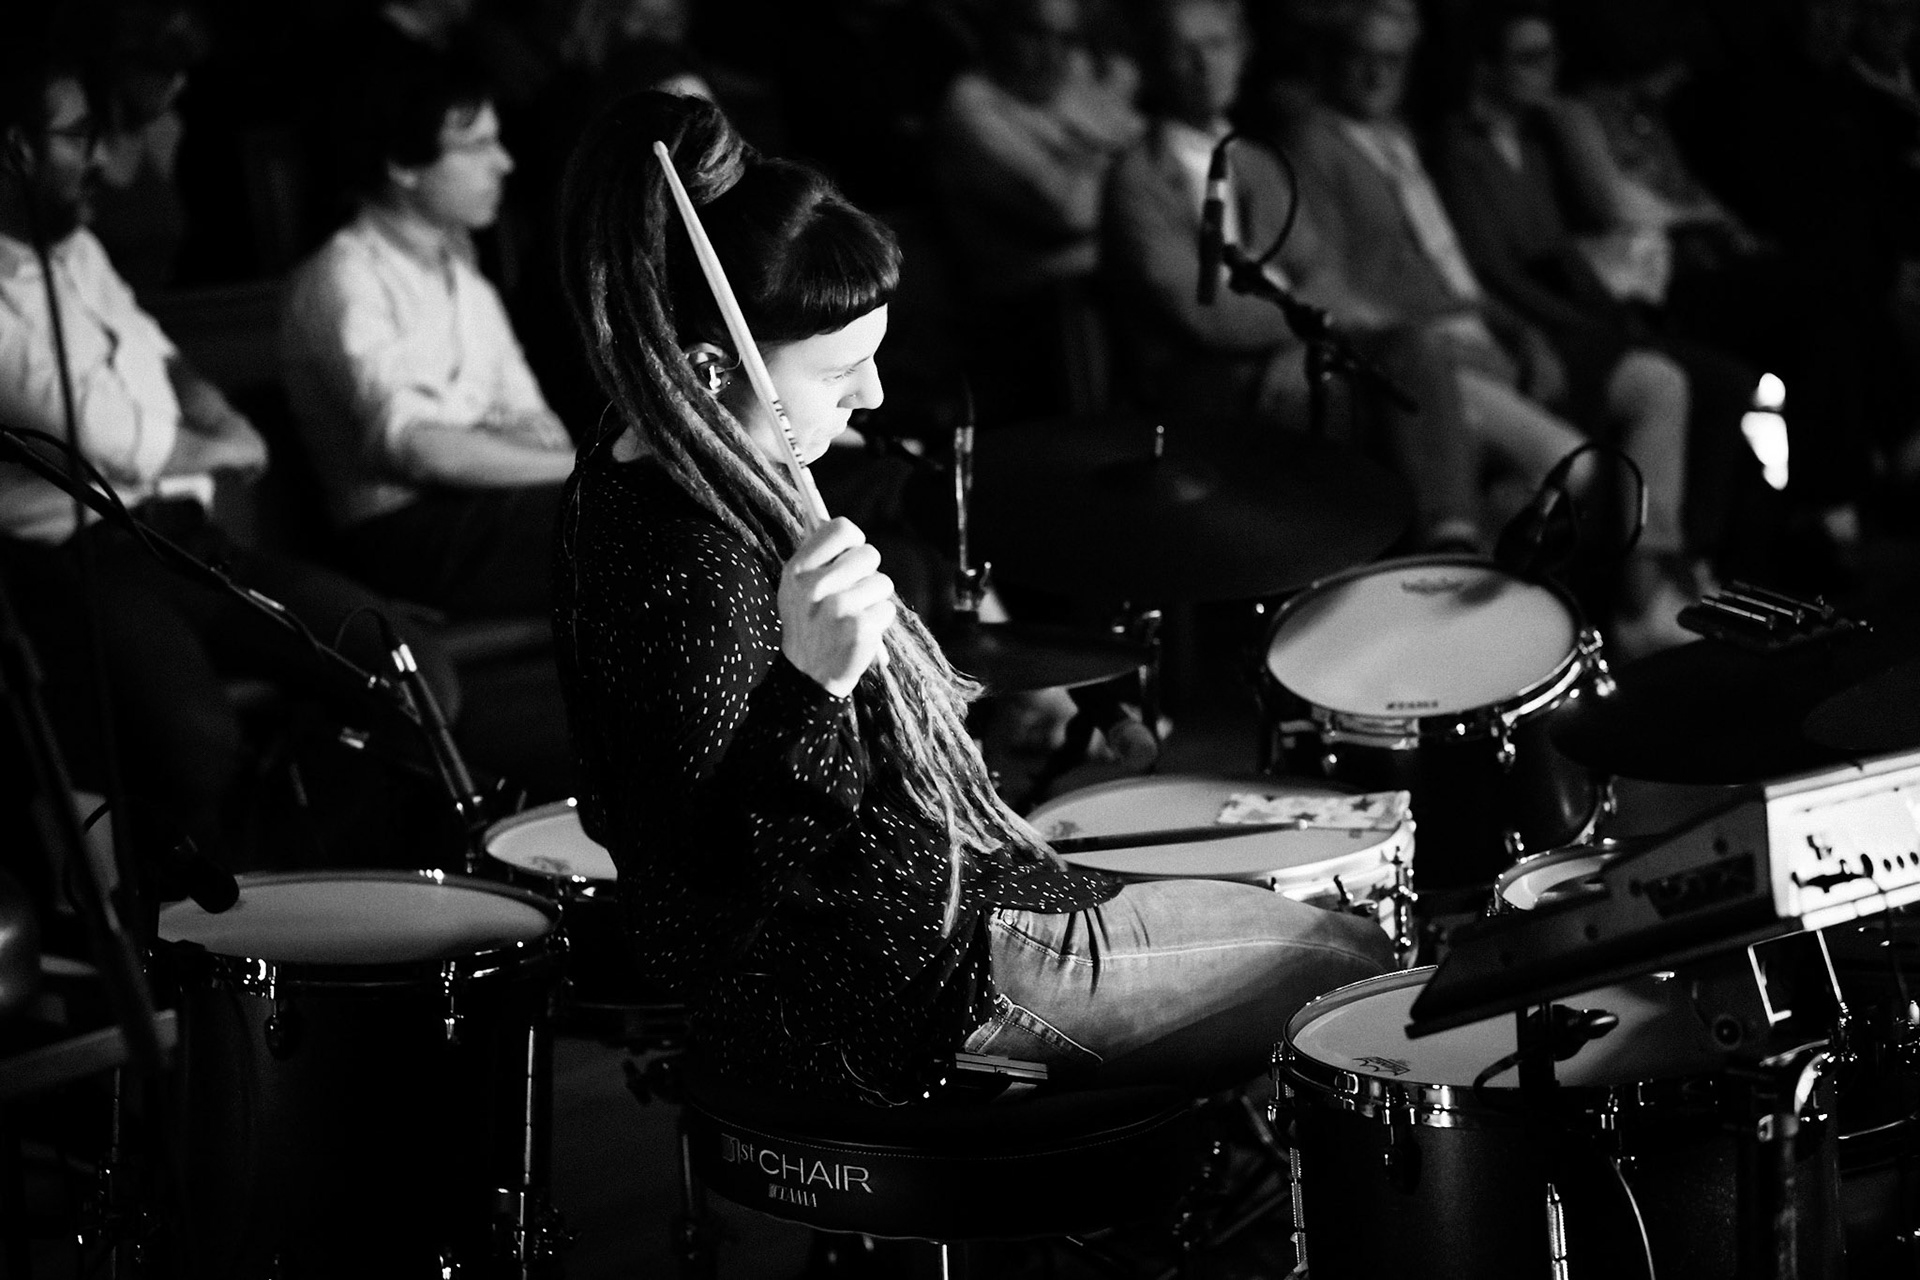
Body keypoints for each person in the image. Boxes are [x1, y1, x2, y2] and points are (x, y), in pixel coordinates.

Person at [552, 90, 1391, 1105]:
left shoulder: (632, 467)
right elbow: (729, 887)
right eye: (843, 370)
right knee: (1353, 957)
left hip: (925, 927)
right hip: (909, 988)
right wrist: (814, 688)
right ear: (710, 366)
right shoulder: (696, 567)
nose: (873, 397)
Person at [0, 38, 458, 898]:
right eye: (78, 136)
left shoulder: (78, 250)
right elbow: (114, 440)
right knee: (195, 744)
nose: (102, 156)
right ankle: (221, 937)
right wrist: (215, 444)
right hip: (72, 565)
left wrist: (209, 418)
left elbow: (167, 362)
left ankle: (314, 896)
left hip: (185, 535)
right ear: (17, 150)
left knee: (410, 671)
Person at [1103, 0, 1485, 548]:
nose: (1202, 64)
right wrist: (1309, 327)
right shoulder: (1139, 179)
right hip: (1204, 383)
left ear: (1240, 54)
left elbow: (1320, 268)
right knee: (1385, 406)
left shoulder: (1253, 162)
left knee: (1413, 350)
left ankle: (1453, 539)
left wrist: (1303, 333)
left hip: (1284, 356)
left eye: (1216, 45)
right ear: (1155, 65)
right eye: (1181, 50)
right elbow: (1205, 315)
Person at [1433, 1, 1755, 651]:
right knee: (1662, 382)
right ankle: (1641, 584)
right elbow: (1493, 271)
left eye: (1551, 56)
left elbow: (1587, 224)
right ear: (1487, 68)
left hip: (1577, 316)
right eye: (1527, 58)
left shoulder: (1538, 140)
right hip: (1533, 324)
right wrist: (1565, 323)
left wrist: (1568, 126)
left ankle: (1682, 561)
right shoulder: (1458, 147)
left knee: (1725, 382)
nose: (1545, 71)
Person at [282, 45, 573, 619]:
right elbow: (417, 448)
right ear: (404, 164)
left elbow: (539, 427)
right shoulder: (345, 276)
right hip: (402, 535)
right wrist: (586, 466)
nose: (505, 163)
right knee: (624, 516)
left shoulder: (467, 281)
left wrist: (490, 445)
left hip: (486, 507)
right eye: (478, 146)